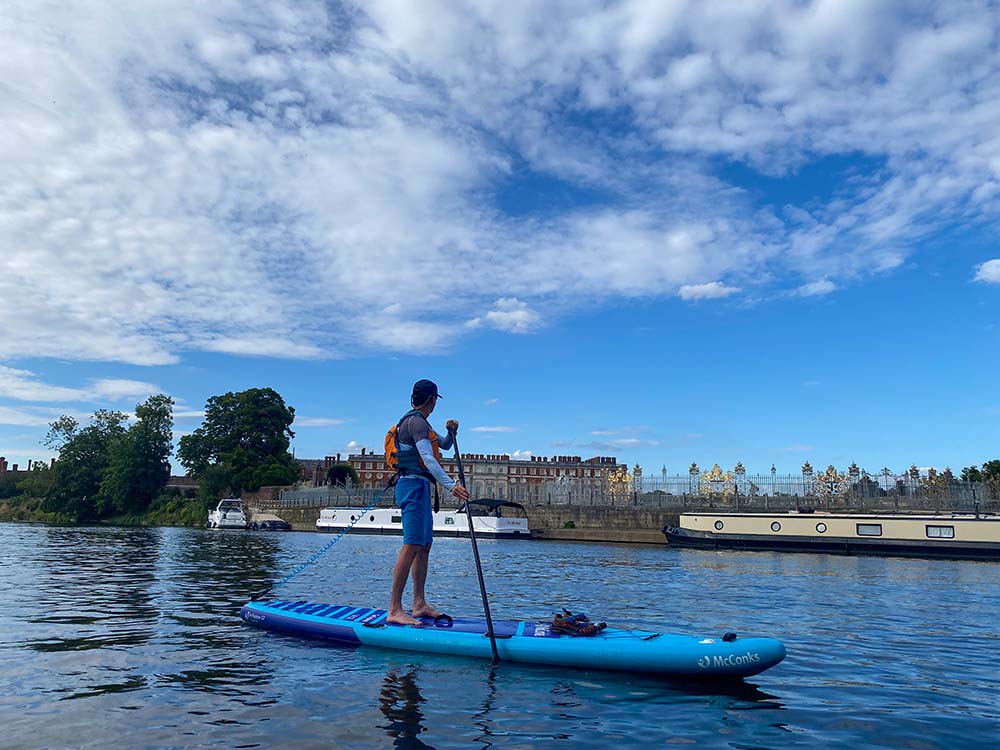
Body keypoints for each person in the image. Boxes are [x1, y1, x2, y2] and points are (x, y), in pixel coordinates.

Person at [387, 379, 469, 626]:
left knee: (423, 546)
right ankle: (394, 610)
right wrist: (451, 485)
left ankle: (419, 604)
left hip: (421, 486)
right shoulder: (415, 422)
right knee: (411, 545)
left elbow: (442, 446)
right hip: (411, 486)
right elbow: (429, 460)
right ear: (432, 400)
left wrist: (452, 433)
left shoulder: (423, 424)